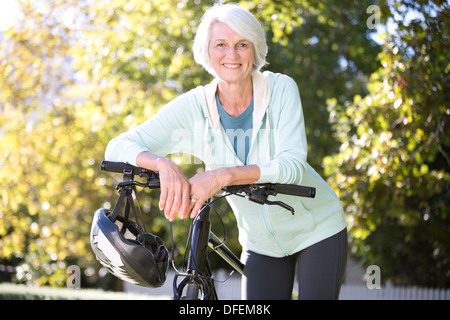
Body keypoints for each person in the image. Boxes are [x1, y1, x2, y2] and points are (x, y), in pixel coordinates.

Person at [105, 2, 347, 300]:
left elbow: (292, 165)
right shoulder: (194, 108)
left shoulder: (281, 90)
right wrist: (162, 165)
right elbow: (116, 147)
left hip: (318, 230)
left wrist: (221, 176)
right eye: (221, 44)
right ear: (208, 51)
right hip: (262, 245)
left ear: (254, 50)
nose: (231, 55)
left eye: (242, 44)